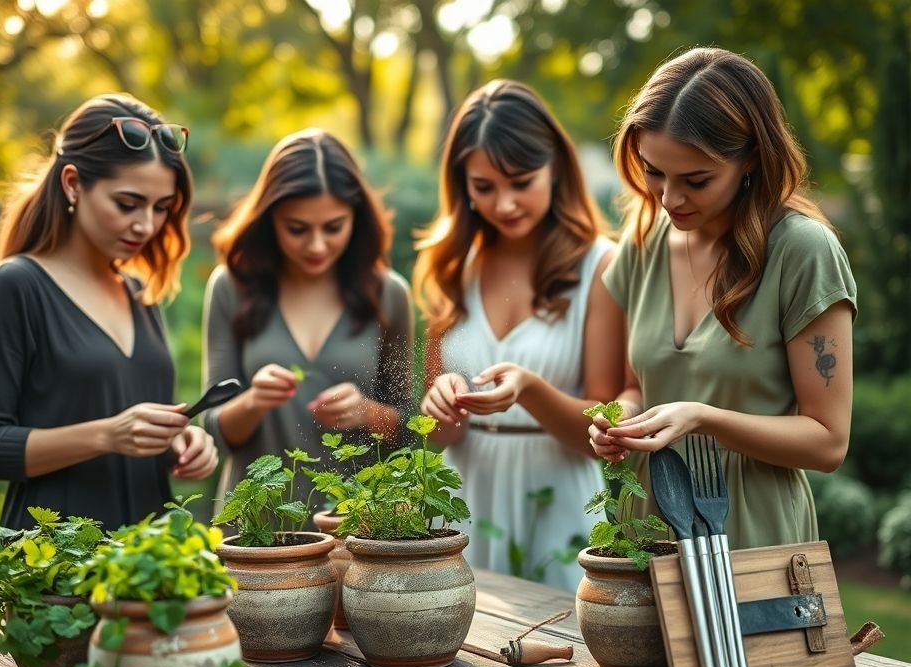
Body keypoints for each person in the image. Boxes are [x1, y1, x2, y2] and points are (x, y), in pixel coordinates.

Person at [588, 48, 856, 549]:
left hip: (752, 535)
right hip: (646, 526)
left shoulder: (802, 251)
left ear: (751, 157)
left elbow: (828, 441)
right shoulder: (643, 240)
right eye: (654, 172)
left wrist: (704, 419)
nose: (669, 199)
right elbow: (637, 385)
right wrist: (620, 420)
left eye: (697, 180)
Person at [0, 94, 218, 530]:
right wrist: (106, 434)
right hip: (53, 563)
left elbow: (135, 419)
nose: (146, 225)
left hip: (148, 559)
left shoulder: (138, 293)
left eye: (161, 208)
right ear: (73, 184)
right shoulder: (16, 287)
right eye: (127, 203)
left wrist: (181, 440)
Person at [414, 80, 623, 590]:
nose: (504, 204)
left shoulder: (600, 266)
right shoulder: (451, 266)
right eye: (484, 187)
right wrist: (438, 405)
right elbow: (440, 436)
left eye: (521, 182)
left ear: (556, 168)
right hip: (465, 496)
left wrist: (530, 390)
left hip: (557, 498)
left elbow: (603, 432)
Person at [202, 129, 413, 507]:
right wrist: (254, 401)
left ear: (357, 218)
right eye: (296, 229)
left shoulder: (389, 294)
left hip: (356, 527)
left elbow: (407, 430)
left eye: (333, 227)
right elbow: (216, 431)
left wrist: (367, 411)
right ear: (270, 219)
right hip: (255, 533)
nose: (316, 246)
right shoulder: (232, 287)